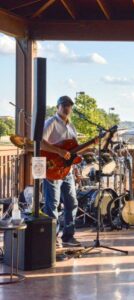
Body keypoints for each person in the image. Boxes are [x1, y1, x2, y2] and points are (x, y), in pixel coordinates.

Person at [41, 96, 83, 247]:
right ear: (57, 106)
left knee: (72, 203)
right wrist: (58, 151)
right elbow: (39, 142)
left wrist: (77, 166)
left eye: (69, 106)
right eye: (64, 105)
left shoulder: (72, 127)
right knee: (52, 204)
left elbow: (72, 151)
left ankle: (68, 236)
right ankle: (51, 239)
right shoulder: (51, 122)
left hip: (68, 171)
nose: (67, 108)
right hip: (53, 169)